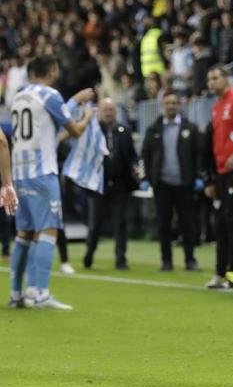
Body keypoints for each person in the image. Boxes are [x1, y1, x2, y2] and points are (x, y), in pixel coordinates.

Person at [8, 55, 91, 310]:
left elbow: (50, 130)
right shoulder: (50, 95)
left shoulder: (18, 98)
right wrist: (86, 115)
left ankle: (17, 293)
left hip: (20, 173)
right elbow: (74, 130)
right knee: (49, 230)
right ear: (52, 70)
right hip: (42, 173)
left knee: (25, 233)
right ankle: (41, 292)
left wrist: (74, 100)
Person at [203, 66, 233, 289]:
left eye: (215, 77)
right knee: (221, 222)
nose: (211, 82)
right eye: (209, 79)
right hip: (222, 172)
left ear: (226, 79)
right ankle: (221, 272)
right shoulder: (217, 107)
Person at [141, 90, 201, 272]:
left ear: (179, 105)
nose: (171, 106)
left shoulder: (190, 128)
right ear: (162, 106)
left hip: (184, 184)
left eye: (174, 103)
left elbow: (197, 155)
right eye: (168, 103)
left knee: (187, 224)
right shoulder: (153, 130)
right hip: (162, 185)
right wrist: (146, 178)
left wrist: (198, 176)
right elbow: (145, 156)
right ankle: (166, 260)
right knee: (163, 225)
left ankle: (190, 259)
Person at [82, 98, 138, 270]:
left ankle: (120, 258)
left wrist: (135, 167)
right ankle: (90, 253)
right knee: (95, 223)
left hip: (120, 183)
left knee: (120, 222)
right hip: (98, 184)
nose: (109, 113)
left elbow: (132, 155)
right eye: (106, 110)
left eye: (111, 110)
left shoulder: (124, 130)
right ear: (100, 111)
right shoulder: (92, 131)